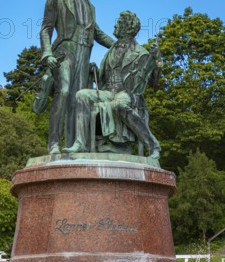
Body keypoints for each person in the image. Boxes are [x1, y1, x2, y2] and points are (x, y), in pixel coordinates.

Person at [40, 0, 114, 154]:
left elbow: (97, 33)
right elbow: (46, 29)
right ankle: (54, 143)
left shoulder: (90, 6)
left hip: (84, 54)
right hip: (64, 53)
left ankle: (75, 145)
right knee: (63, 92)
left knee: (78, 99)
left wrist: (118, 45)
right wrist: (47, 52)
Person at [63, 11, 161, 159]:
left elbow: (154, 82)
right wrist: (94, 71)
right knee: (81, 95)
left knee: (118, 105)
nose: (115, 25)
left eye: (119, 23)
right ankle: (80, 142)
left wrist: (157, 60)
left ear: (127, 28)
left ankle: (152, 144)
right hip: (108, 90)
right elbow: (104, 76)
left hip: (127, 93)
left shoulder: (141, 53)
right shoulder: (112, 49)